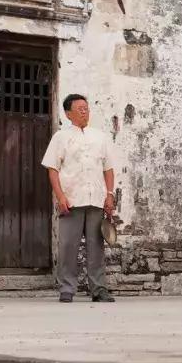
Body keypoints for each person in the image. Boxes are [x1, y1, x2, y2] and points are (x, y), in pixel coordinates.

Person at [41, 93, 116, 304]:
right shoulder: (60, 138)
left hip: (96, 200)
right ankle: (67, 288)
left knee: (96, 247)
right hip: (72, 200)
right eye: (80, 109)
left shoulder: (100, 137)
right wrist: (60, 196)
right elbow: (53, 169)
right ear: (68, 113)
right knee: (68, 246)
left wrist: (109, 195)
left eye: (87, 108)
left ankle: (99, 289)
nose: (85, 112)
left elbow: (108, 169)